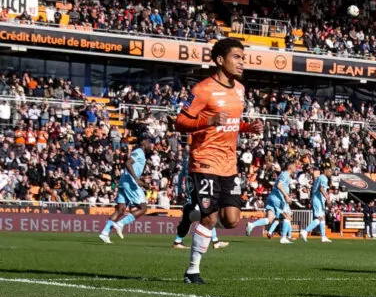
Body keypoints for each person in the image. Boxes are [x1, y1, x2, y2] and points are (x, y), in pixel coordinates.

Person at [173, 38, 262, 283]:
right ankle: (192, 272)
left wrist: (247, 127)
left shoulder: (240, 89)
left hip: (228, 164)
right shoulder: (202, 90)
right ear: (220, 60)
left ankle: (191, 214)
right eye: (236, 57)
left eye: (243, 58)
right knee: (210, 217)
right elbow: (180, 123)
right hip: (204, 160)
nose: (242, 63)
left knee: (231, 221)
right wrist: (207, 121)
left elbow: (230, 124)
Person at [99, 126, 153, 243]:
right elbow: (128, 163)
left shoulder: (140, 153)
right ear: (143, 142)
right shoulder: (139, 152)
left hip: (125, 182)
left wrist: (141, 178)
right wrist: (136, 179)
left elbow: (131, 166)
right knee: (143, 208)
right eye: (149, 142)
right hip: (130, 182)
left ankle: (104, 233)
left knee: (120, 210)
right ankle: (121, 224)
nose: (150, 144)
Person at [302, 167, 332, 242]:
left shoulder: (320, 177)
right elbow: (321, 188)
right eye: (330, 171)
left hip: (318, 199)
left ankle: (323, 236)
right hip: (318, 200)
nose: (331, 173)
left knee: (323, 217)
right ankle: (305, 231)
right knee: (320, 218)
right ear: (325, 170)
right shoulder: (324, 178)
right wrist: (327, 198)